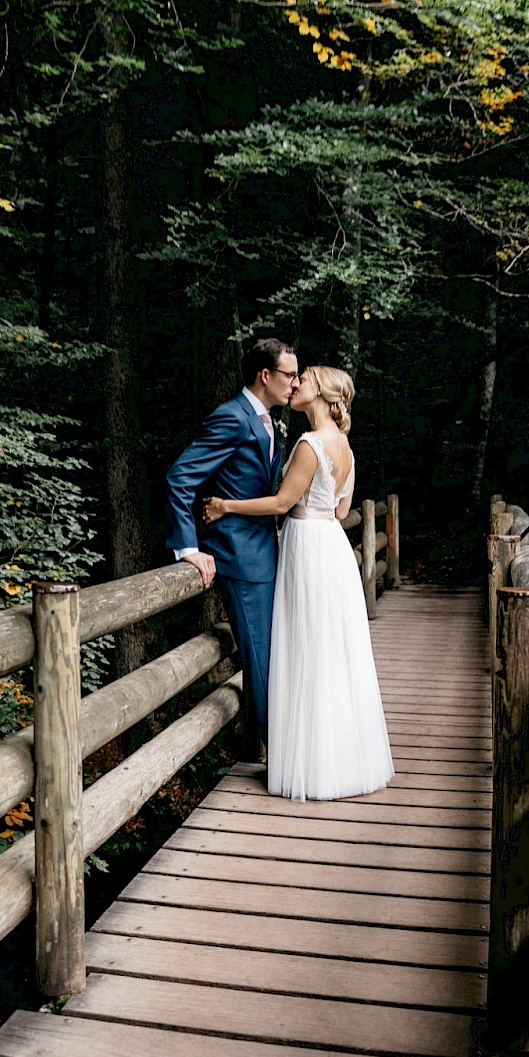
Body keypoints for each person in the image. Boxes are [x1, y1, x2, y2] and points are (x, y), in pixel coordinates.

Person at [202, 365, 393, 801]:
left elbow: (283, 502)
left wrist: (226, 506)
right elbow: (342, 511)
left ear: (323, 393)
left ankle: (312, 764)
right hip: (333, 548)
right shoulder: (344, 445)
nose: (297, 383)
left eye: (305, 378)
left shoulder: (310, 443)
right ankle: (341, 761)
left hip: (307, 547)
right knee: (331, 652)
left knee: (306, 648)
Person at [166, 338, 301, 754]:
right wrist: (188, 548)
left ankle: (280, 747)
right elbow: (180, 476)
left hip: (265, 552)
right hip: (239, 557)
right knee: (259, 659)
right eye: (289, 375)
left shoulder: (266, 419)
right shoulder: (232, 417)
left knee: (272, 655)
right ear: (266, 376)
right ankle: (278, 755)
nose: (295, 383)